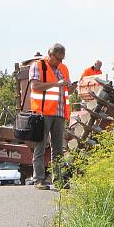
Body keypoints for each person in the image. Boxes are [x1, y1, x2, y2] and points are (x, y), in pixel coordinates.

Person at [28, 44, 72, 189]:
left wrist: (69, 87)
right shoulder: (38, 65)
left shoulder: (64, 68)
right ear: (50, 55)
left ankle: (58, 179)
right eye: (58, 59)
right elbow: (35, 86)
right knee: (40, 146)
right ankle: (39, 180)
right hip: (43, 113)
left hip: (59, 113)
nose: (60, 62)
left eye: (62, 59)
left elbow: (66, 89)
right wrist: (56, 84)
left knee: (58, 149)